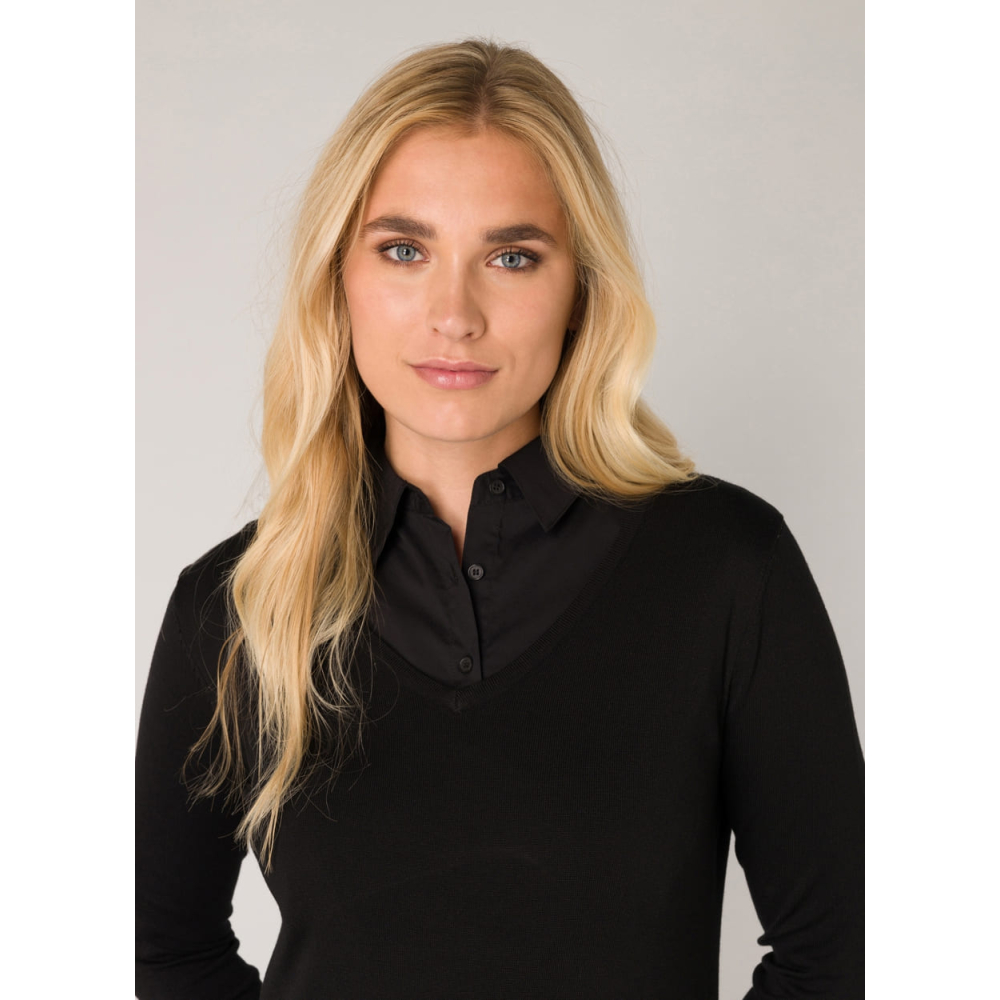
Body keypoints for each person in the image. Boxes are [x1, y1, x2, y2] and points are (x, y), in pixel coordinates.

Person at [135, 38, 864, 1000]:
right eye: (404, 250)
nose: (455, 313)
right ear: (337, 279)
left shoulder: (729, 569)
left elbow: (838, 956)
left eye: (512, 257)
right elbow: (163, 950)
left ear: (580, 291)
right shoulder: (234, 607)